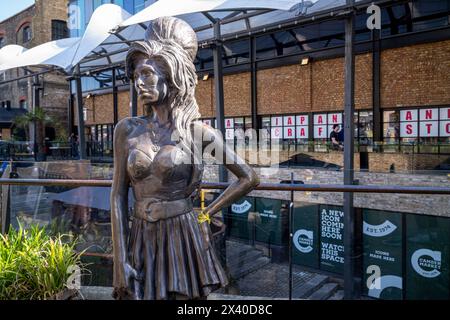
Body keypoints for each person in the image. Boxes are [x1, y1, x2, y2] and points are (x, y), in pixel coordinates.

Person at [110, 17, 259, 300]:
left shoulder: (197, 132)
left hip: (183, 235)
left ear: (171, 74)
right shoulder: (126, 129)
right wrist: (120, 259)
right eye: (135, 76)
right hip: (140, 235)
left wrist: (207, 213)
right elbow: (117, 195)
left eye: (147, 74)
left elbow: (248, 177)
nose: (138, 83)